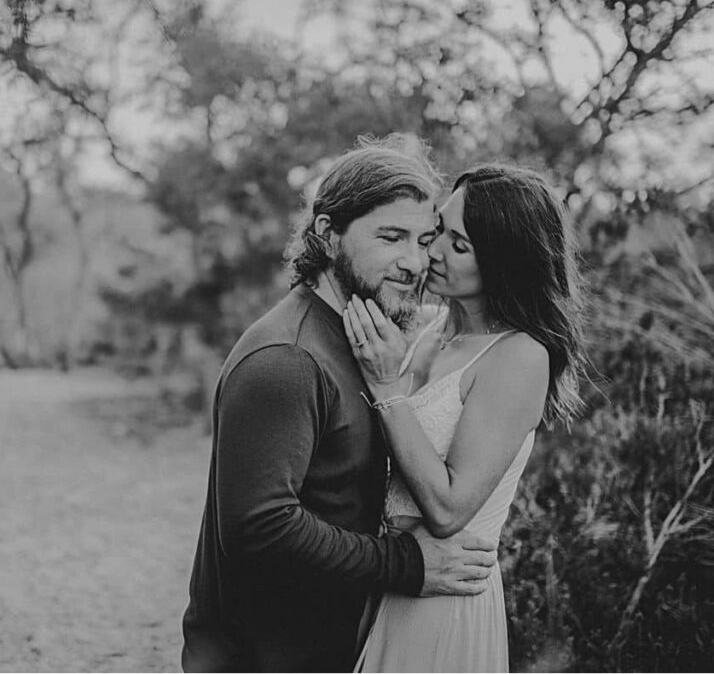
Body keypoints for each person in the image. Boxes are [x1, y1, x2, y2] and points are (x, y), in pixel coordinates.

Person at [181, 136, 501, 673]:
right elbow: (261, 526)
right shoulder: (287, 358)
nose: (413, 263)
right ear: (328, 235)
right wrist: (408, 566)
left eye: (425, 240)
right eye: (391, 237)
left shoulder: (359, 339)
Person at [344, 164, 588, 672]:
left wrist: (388, 389)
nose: (430, 252)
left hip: (442, 602)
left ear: (504, 262)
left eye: (458, 245)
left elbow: (450, 510)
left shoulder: (519, 356)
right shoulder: (429, 329)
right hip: (390, 579)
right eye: (440, 230)